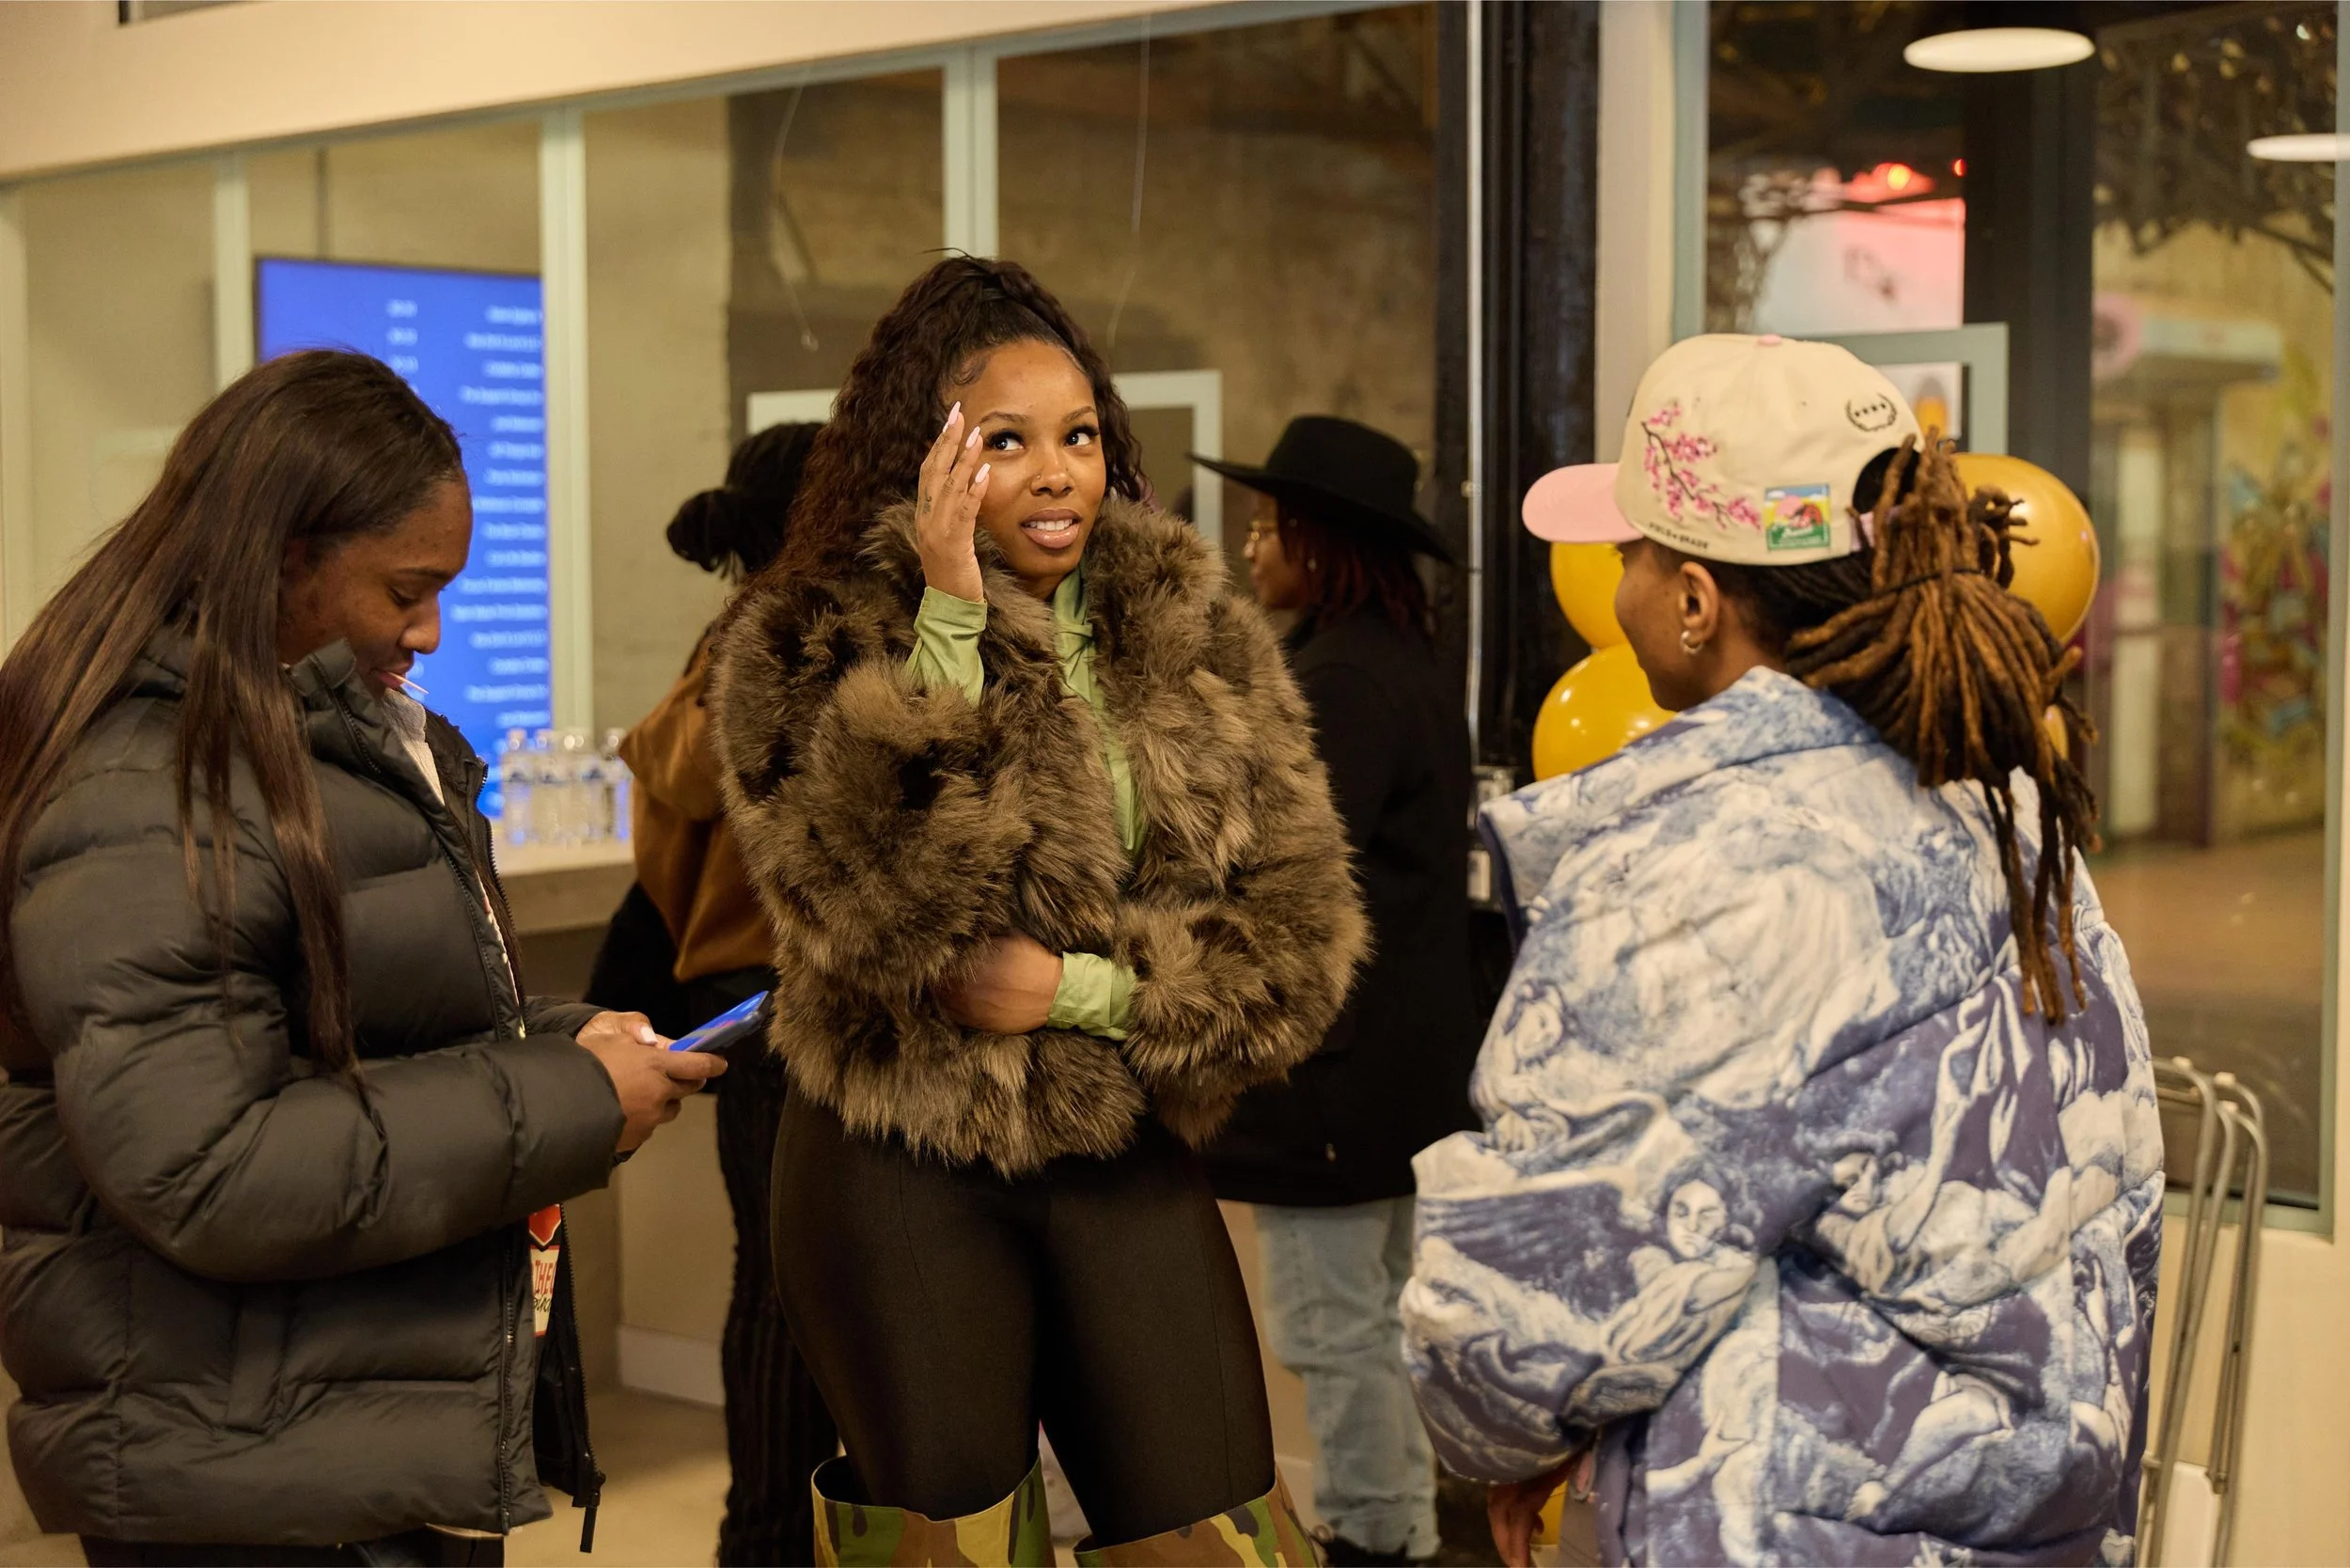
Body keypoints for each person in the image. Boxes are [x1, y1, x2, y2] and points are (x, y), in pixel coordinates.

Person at [1400, 334, 2164, 1567]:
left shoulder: (1706, 868)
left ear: (1697, 600)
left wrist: (1508, 1432)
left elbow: (1533, 1308)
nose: (1623, 586)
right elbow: (2114, 1208)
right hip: (2037, 1525)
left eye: (1632, 555)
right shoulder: (2014, 818)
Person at [0, 351, 724, 1566]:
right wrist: (569, 1101)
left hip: (321, 1419)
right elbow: (211, 1167)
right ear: (287, 558)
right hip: (238, 1464)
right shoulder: (144, 792)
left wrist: (561, 1047)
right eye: (407, 589)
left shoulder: (292, 742)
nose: (429, 630)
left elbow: (348, 1034)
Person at [707, 256, 1364, 1566]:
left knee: (1222, 1535)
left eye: (1078, 437)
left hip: (1116, 1136)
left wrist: (1083, 991)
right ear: (927, 460)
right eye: (1005, 442)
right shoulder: (800, 642)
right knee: (950, 1551)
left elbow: (1301, 939)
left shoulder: (1192, 630)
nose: (1057, 473)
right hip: (898, 1151)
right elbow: (877, 912)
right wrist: (947, 628)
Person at [1193, 416, 1480, 1566]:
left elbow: (1289, 875)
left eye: (1267, 528)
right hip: (1403, 1070)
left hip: (1338, 1080)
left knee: (1331, 1329)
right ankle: (1395, 1520)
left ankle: (1373, 1533)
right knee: (1384, 1320)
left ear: (1320, 544)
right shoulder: (1396, 658)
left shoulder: (1340, 678)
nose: (1251, 550)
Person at [602, 420, 839, 1566]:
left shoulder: (726, 640)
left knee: (784, 1286)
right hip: (782, 1009)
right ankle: (770, 1541)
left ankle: (772, 1537)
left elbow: (656, 769)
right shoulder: (778, 647)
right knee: (795, 1298)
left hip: (757, 1008)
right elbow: (693, 771)